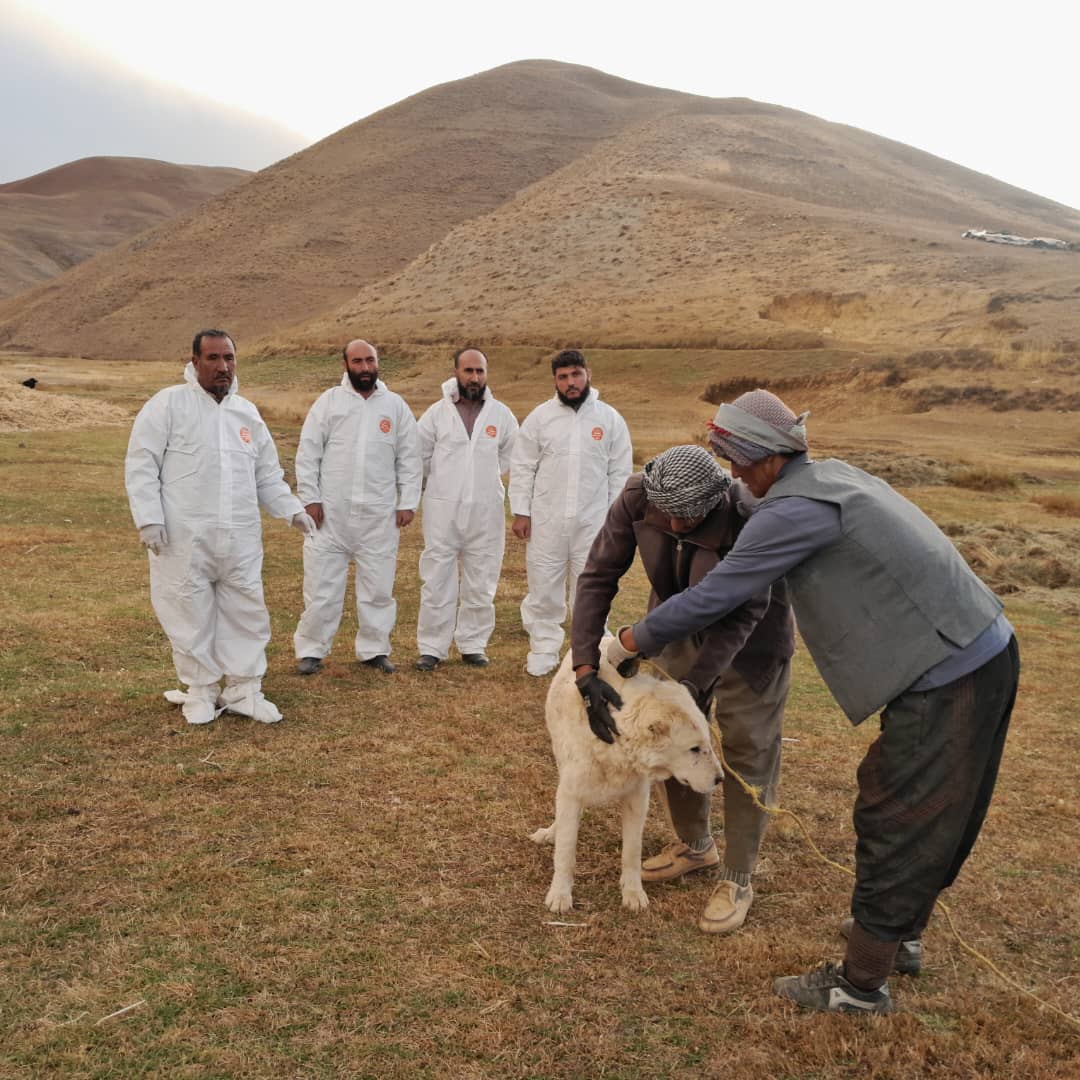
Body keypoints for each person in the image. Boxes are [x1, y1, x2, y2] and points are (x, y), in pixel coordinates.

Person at [609, 389, 1019, 1015]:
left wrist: (626, 642)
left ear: (769, 455)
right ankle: (899, 934)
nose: (734, 476)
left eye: (739, 461)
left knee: (898, 812)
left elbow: (719, 593)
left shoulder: (790, 511)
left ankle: (859, 985)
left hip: (949, 668)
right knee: (932, 807)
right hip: (977, 644)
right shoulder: (829, 478)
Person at [571, 445, 794, 933]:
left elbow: (747, 612)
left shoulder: (748, 518)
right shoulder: (637, 494)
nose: (673, 527)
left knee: (746, 749)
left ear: (715, 503)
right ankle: (695, 845)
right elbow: (598, 575)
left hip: (749, 644)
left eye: (687, 519)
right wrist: (585, 666)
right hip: (673, 633)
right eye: (666, 516)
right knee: (671, 738)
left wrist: (696, 686)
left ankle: (737, 877)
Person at [125, 329, 315, 726]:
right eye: (212, 358)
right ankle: (201, 689)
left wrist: (291, 510)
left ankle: (245, 688)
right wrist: (149, 519)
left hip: (240, 536)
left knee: (246, 608)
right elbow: (142, 465)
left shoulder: (246, 413)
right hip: (183, 537)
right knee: (187, 609)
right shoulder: (168, 405)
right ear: (194, 363)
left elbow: (267, 474)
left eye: (228, 358)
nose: (222, 367)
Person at [292, 339, 421, 675]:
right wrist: (310, 498)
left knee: (378, 589)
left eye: (370, 360)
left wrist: (407, 501)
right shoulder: (329, 403)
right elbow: (308, 453)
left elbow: (409, 458)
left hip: (379, 516)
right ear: (345, 364)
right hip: (331, 515)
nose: (365, 368)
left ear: (378, 363)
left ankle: (375, 650)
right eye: (358, 361)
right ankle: (311, 650)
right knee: (322, 588)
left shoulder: (394, 407)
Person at [510, 349, 633, 677]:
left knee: (591, 586)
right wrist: (521, 511)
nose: (571, 382)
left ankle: (591, 650)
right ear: (555, 381)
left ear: (587, 374)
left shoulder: (609, 419)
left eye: (576, 375)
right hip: (547, 520)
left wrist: (615, 519)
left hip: (594, 522)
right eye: (563, 377)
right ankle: (544, 648)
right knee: (544, 584)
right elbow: (523, 466)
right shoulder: (540, 418)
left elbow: (619, 474)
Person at [414, 347, 518, 670]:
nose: (474, 377)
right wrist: (447, 484)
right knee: (437, 577)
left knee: (482, 577)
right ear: (456, 372)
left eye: (480, 371)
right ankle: (432, 647)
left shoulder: (501, 415)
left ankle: (473, 643)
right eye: (469, 371)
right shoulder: (436, 414)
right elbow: (420, 457)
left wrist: (481, 481)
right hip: (442, 509)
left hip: (486, 510)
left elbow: (510, 457)